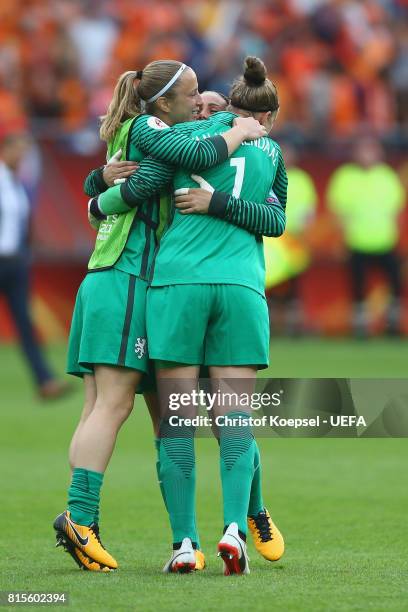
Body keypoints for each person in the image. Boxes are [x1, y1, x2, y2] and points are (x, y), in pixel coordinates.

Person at [53, 60, 265, 572]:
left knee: (121, 411)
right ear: (164, 102)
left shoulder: (144, 128)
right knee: (117, 407)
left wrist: (93, 188)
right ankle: (80, 519)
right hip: (129, 278)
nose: (199, 105)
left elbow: (124, 177)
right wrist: (237, 130)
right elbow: (154, 175)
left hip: (116, 279)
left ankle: (129, 530)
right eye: (193, 96)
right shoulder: (155, 130)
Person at [143, 56, 287, 575]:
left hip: (179, 284)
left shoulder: (189, 137)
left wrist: (99, 190)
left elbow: (144, 180)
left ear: (225, 104)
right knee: (235, 422)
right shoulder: (271, 152)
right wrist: (228, 203)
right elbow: (276, 220)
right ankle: (235, 529)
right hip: (241, 288)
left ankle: (185, 544)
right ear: (268, 114)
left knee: (177, 424)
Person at [0, 131, 69, 400]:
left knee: (25, 325)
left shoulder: (19, 183)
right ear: (5, 150)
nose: (22, 156)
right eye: (18, 150)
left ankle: (45, 381)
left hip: (15, 262)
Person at [327, 136, 405, 337]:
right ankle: (360, 326)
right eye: (364, 150)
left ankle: (393, 324)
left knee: (395, 284)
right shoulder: (345, 176)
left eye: (371, 151)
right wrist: (342, 238)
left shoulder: (387, 176)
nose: (367, 156)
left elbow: (397, 211)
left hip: (385, 242)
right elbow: (338, 212)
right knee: (357, 287)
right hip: (357, 242)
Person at [266, 142, 318, 335]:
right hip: (271, 241)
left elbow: (309, 211)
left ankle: (292, 327)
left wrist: (303, 233)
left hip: (292, 242)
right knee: (268, 287)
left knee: (293, 290)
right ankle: (269, 326)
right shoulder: (268, 174)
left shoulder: (302, 179)